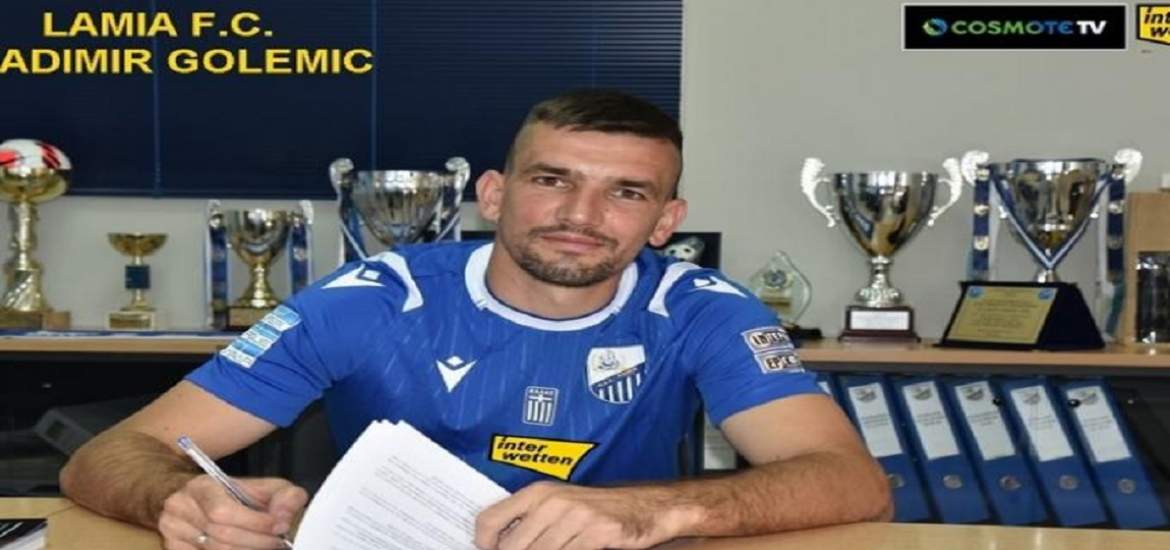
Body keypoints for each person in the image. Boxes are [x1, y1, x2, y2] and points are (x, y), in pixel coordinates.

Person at [60, 89, 891, 549]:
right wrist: (177, 500)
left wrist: (655, 511)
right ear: (493, 195)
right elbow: (109, 457)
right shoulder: (370, 299)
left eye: (626, 193)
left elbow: (852, 482)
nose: (581, 215)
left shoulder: (702, 310)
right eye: (552, 180)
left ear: (665, 222)